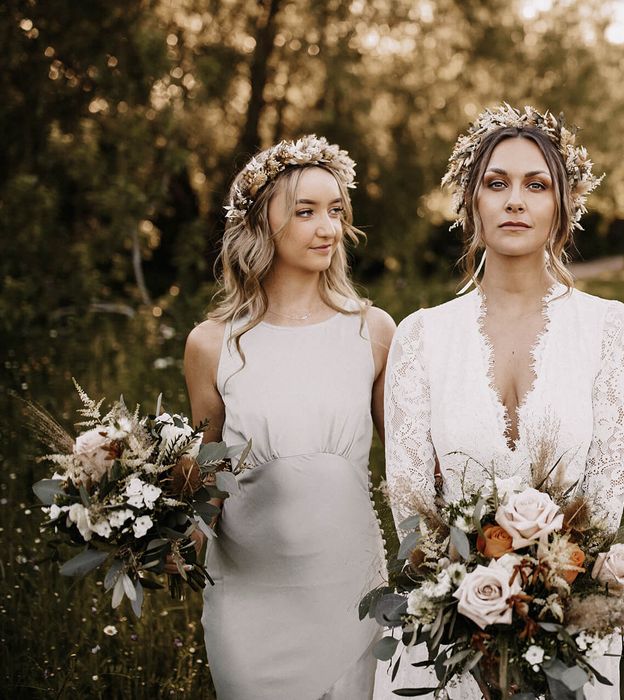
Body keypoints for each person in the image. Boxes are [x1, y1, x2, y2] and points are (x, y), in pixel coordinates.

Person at [373, 104, 624, 700]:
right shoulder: (420, 337)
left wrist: (542, 615)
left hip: (575, 632)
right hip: (446, 636)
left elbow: (600, 512)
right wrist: (468, 611)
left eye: (536, 184)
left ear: (564, 205)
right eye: (496, 184)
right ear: (471, 203)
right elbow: (411, 507)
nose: (515, 201)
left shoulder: (611, 332)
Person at [183, 135, 395, 699]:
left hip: (347, 585)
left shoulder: (372, 331)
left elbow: (406, 469)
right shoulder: (211, 344)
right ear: (260, 224)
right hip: (246, 591)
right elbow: (208, 478)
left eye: (335, 211)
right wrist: (162, 536)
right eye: (305, 212)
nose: (327, 227)